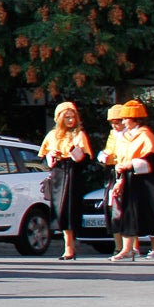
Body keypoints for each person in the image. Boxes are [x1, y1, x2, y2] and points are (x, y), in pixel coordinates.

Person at [101, 100, 154, 261]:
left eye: (125, 119)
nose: (123, 122)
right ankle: (127, 249)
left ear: (135, 119)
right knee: (127, 213)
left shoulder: (145, 135)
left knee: (152, 213)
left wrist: (130, 165)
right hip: (129, 179)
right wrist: (121, 177)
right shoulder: (125, 137)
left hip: (145, 182)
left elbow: (153, 161)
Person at [40, 102, 93, 260]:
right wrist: (52, 156)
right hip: (58, 174)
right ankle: (67, 245)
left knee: (70, 209)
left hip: (73, 174)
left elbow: (85, 159)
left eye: (73, 117)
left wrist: (75, 153)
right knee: (59, 210)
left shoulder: (79, 135)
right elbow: (43, 158)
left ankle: (70, 247)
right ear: (60, 118)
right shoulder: (52, 135)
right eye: (67, 117)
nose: (70, 120)